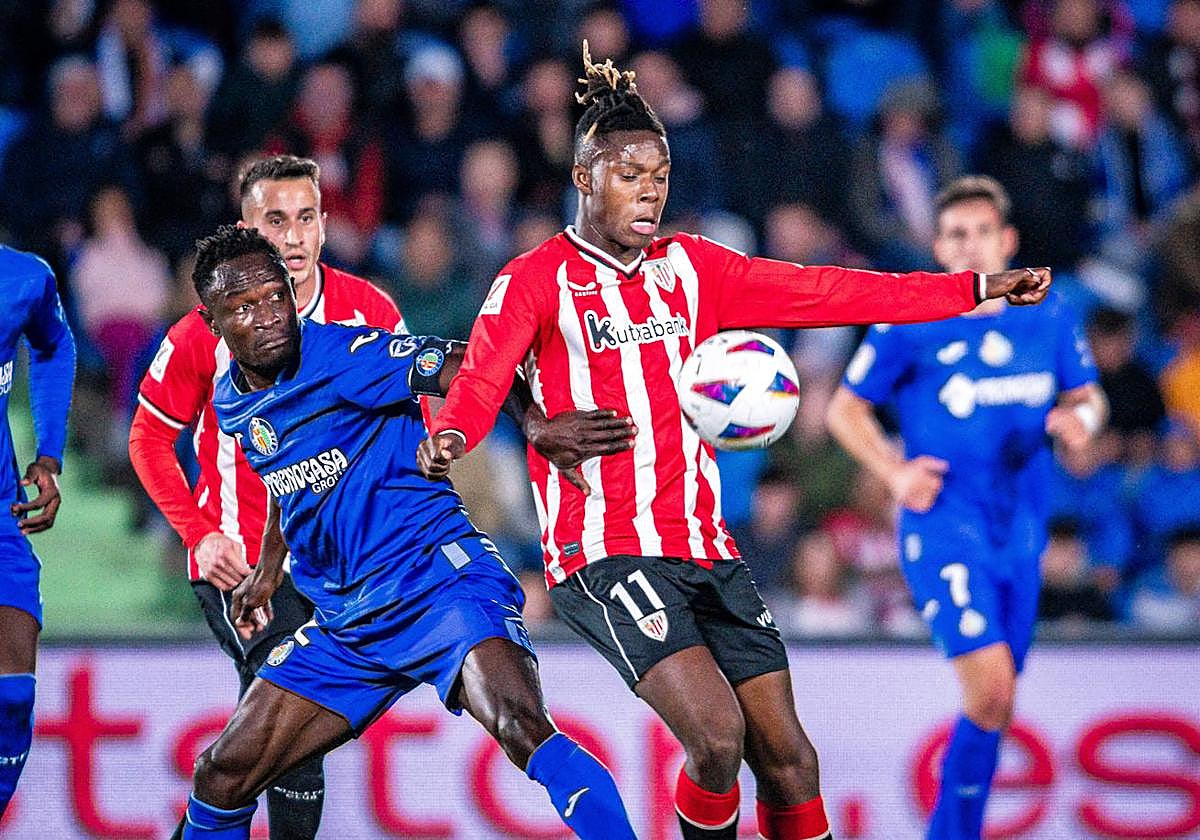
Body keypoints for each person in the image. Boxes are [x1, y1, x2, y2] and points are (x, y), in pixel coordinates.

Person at [418, 45, 1051, 840]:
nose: (649, 190)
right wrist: (452, 435)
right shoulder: (536, 279)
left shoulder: (692, 267)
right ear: (584, 177)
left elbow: (830, 291)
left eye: (659, 175)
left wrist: (972, 289)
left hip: (707, 547)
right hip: (606, 552)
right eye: (628, 174)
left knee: (791, 761)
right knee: (716, 739)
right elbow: (482, 377)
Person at [176, 225, 637, 839]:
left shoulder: (344, 354)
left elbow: (471, 363)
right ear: (212, 324)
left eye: (276, 295)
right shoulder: (232, 401)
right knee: (221, 774)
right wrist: (266, 572)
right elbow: (289, 484)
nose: (268, 316)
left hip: (437, 581)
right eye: (243, 307)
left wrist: (534, 425)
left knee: (520, 724)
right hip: (346, 621)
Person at [128, 154, 406, 838]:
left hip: (342, 572)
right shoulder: (204, 330)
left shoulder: (371, 312)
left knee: (255, 750)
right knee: (292, 737)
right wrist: (199, 535)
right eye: (275, 221)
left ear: (325, 224)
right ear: (247, 230)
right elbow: (148, 438)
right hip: (244, 567)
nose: (294, 236)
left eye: (306, 218)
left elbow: (410, 426)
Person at [825, 175, 1107, 840]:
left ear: (1007, 241)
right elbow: (844, 409)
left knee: (996, 706)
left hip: (1021, 530)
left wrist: (1083, 423)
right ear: (938, 248)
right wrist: (894, 472)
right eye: (956, 235)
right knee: (990, 689)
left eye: (982, 232)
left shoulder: (1050, 315)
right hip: (943, 526)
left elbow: (1088, 396)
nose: (971, 245)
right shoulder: (910, 320)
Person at [0, 244, 77, 816]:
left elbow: (54, 344)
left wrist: (48, 454)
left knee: (13, 698)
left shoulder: (23, 278)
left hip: (1, 515)